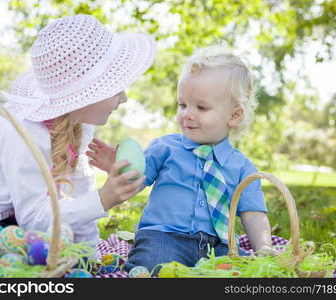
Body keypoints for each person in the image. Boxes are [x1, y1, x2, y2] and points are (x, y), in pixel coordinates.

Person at [0, 14, 156, 247]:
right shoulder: (22, 129)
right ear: (88, 94)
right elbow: (34, 219)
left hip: (7, 223)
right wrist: (104, 198)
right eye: (116, 89)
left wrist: (91, 255)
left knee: (61, 248)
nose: (124, 98)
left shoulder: (80, 122)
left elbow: (79, 193)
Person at [86, 45, 275, 273]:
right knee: (153, 265)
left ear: (234, 115)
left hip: (218, 246)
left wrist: (263, 247)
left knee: (247, 270)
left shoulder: (243, 168)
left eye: (201, 107)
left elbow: (253, 213)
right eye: (183, 105)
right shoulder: (165, 147)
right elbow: (134, 181)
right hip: (164, 236)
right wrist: (121, 169)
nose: (187, 114)